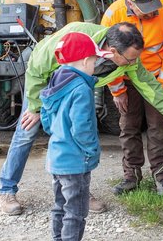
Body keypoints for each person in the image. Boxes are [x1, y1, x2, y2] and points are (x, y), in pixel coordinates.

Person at [0, 21, 163, 215]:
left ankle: (79, 192)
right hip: (45, 80)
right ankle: (7, 190)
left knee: (80, 135)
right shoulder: (77, 35)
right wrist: (34, 107)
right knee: (27, 131)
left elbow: (152, 89)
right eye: (131, 59)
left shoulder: (127, 57)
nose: (134, 62)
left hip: (77, 89)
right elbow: (38, 66)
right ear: (113, 52)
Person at [100, 0, 163, 196]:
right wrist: (117, 91)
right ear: (130, 3)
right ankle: (131, 177)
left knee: (158, 129)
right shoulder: (113, 13)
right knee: (128, 127)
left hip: (155, 80)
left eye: (152, 7)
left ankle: (161, 178)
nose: (150, 13)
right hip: (126, 80)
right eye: (144, 10)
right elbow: (107, 57)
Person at [40, 32, 112, 241]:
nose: (95, 65)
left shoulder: (54, 83)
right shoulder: (81, 88)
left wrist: (55, 131)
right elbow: (82, 128)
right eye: (94, 61)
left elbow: (45, 117)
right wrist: (91, 151)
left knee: (59, 207)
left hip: (56, 158)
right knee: (76, 212)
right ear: (84, 61)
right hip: (75, 161)